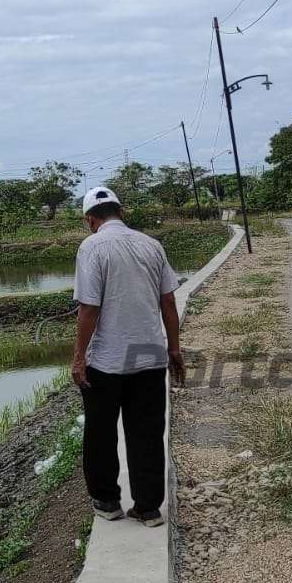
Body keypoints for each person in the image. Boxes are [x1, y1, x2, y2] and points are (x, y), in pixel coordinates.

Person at [71, 186, 186, 527]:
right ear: (121, 212)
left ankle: (108, 502)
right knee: (147, 431)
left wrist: (78, 358)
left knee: (100, 432)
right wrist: (174, 349)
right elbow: (169, 303)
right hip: (149, 358)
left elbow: (88, 308)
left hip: (105, 362)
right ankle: (148, 508)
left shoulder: (91, 248)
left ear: (90, 220)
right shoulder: (152, 245)